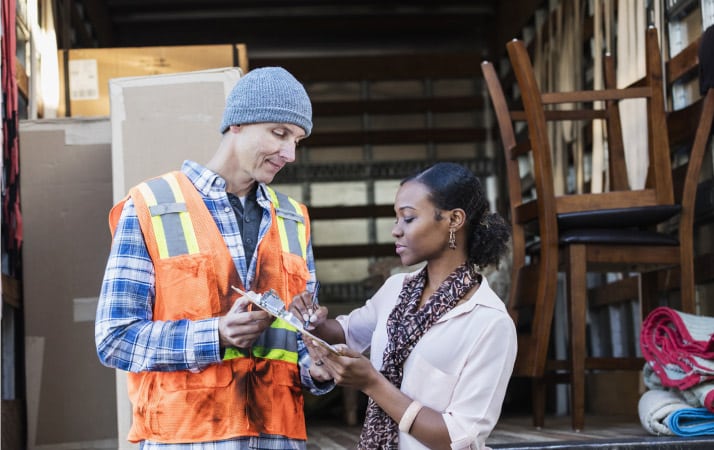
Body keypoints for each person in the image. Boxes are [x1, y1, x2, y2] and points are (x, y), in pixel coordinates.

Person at [95, 66, 334, 449]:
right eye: (279, 133)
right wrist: (216, 334)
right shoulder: (153, 205)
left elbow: (296, 342)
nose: (289, 153)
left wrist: (317, 367)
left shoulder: (292, 219)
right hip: (185, 438)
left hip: (277, 438)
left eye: (298, 140)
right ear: (237, 124)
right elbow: (115, 339)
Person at [291, 162, 518, 450]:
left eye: (408, 218)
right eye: (396, 219)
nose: (395, 231)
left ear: (454, 219)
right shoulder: (396, 289)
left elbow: (460, 438)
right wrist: (315, 323)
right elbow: (345, 333)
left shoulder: (489, 322)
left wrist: (373, 383)